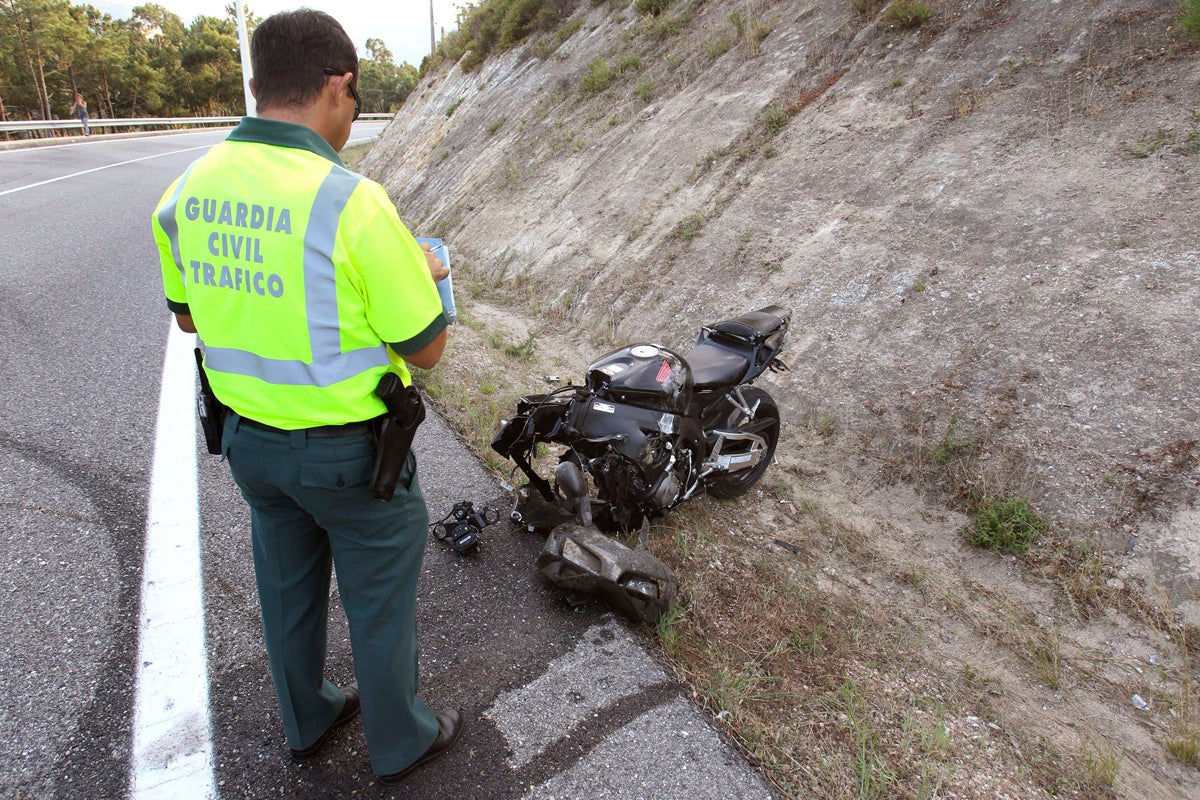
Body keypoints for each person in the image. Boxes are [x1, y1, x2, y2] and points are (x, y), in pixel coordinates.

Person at [149, 9, 462, 786]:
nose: (351, 121)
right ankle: (401, 741)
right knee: (378, 601)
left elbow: (189, 316)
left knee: (286, 589)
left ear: (257, 85)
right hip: (353, 459)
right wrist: (425, 275)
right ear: (339, 86)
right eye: (354, 105)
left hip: (251, 446)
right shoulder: (352, 202)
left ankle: (307, 719)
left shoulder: (184, 191)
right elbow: (426, 347)